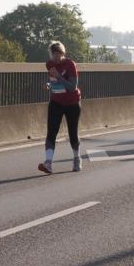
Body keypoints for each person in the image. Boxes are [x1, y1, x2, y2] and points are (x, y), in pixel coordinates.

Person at [38, 41, 82, 174]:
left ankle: (77, 158)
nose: (55, 57)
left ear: (63, 54)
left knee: (73, 134)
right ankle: (48, 163)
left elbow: (72, 87)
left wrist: (59, 76)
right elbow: (54, 82)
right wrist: (48, 85)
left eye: (58, 54)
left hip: (72, 103)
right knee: (51, 133)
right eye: (53, 54)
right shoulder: (49, 64)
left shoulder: (70, 65)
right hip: (56, 102)